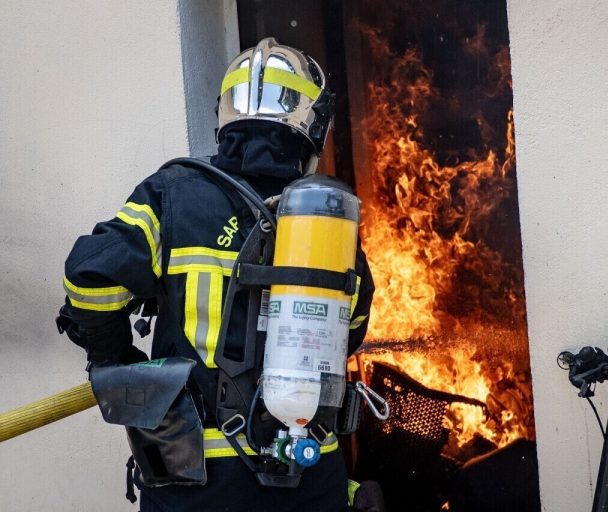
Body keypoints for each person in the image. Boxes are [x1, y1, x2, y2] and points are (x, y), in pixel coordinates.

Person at [56, 37, 375, 512]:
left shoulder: (171, 195)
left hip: (194, 478)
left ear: (225, 115)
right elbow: (349, 326)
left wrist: (115, 358)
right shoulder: (326, 221)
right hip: (308, 472)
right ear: (313, 123)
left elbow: (90, 277)